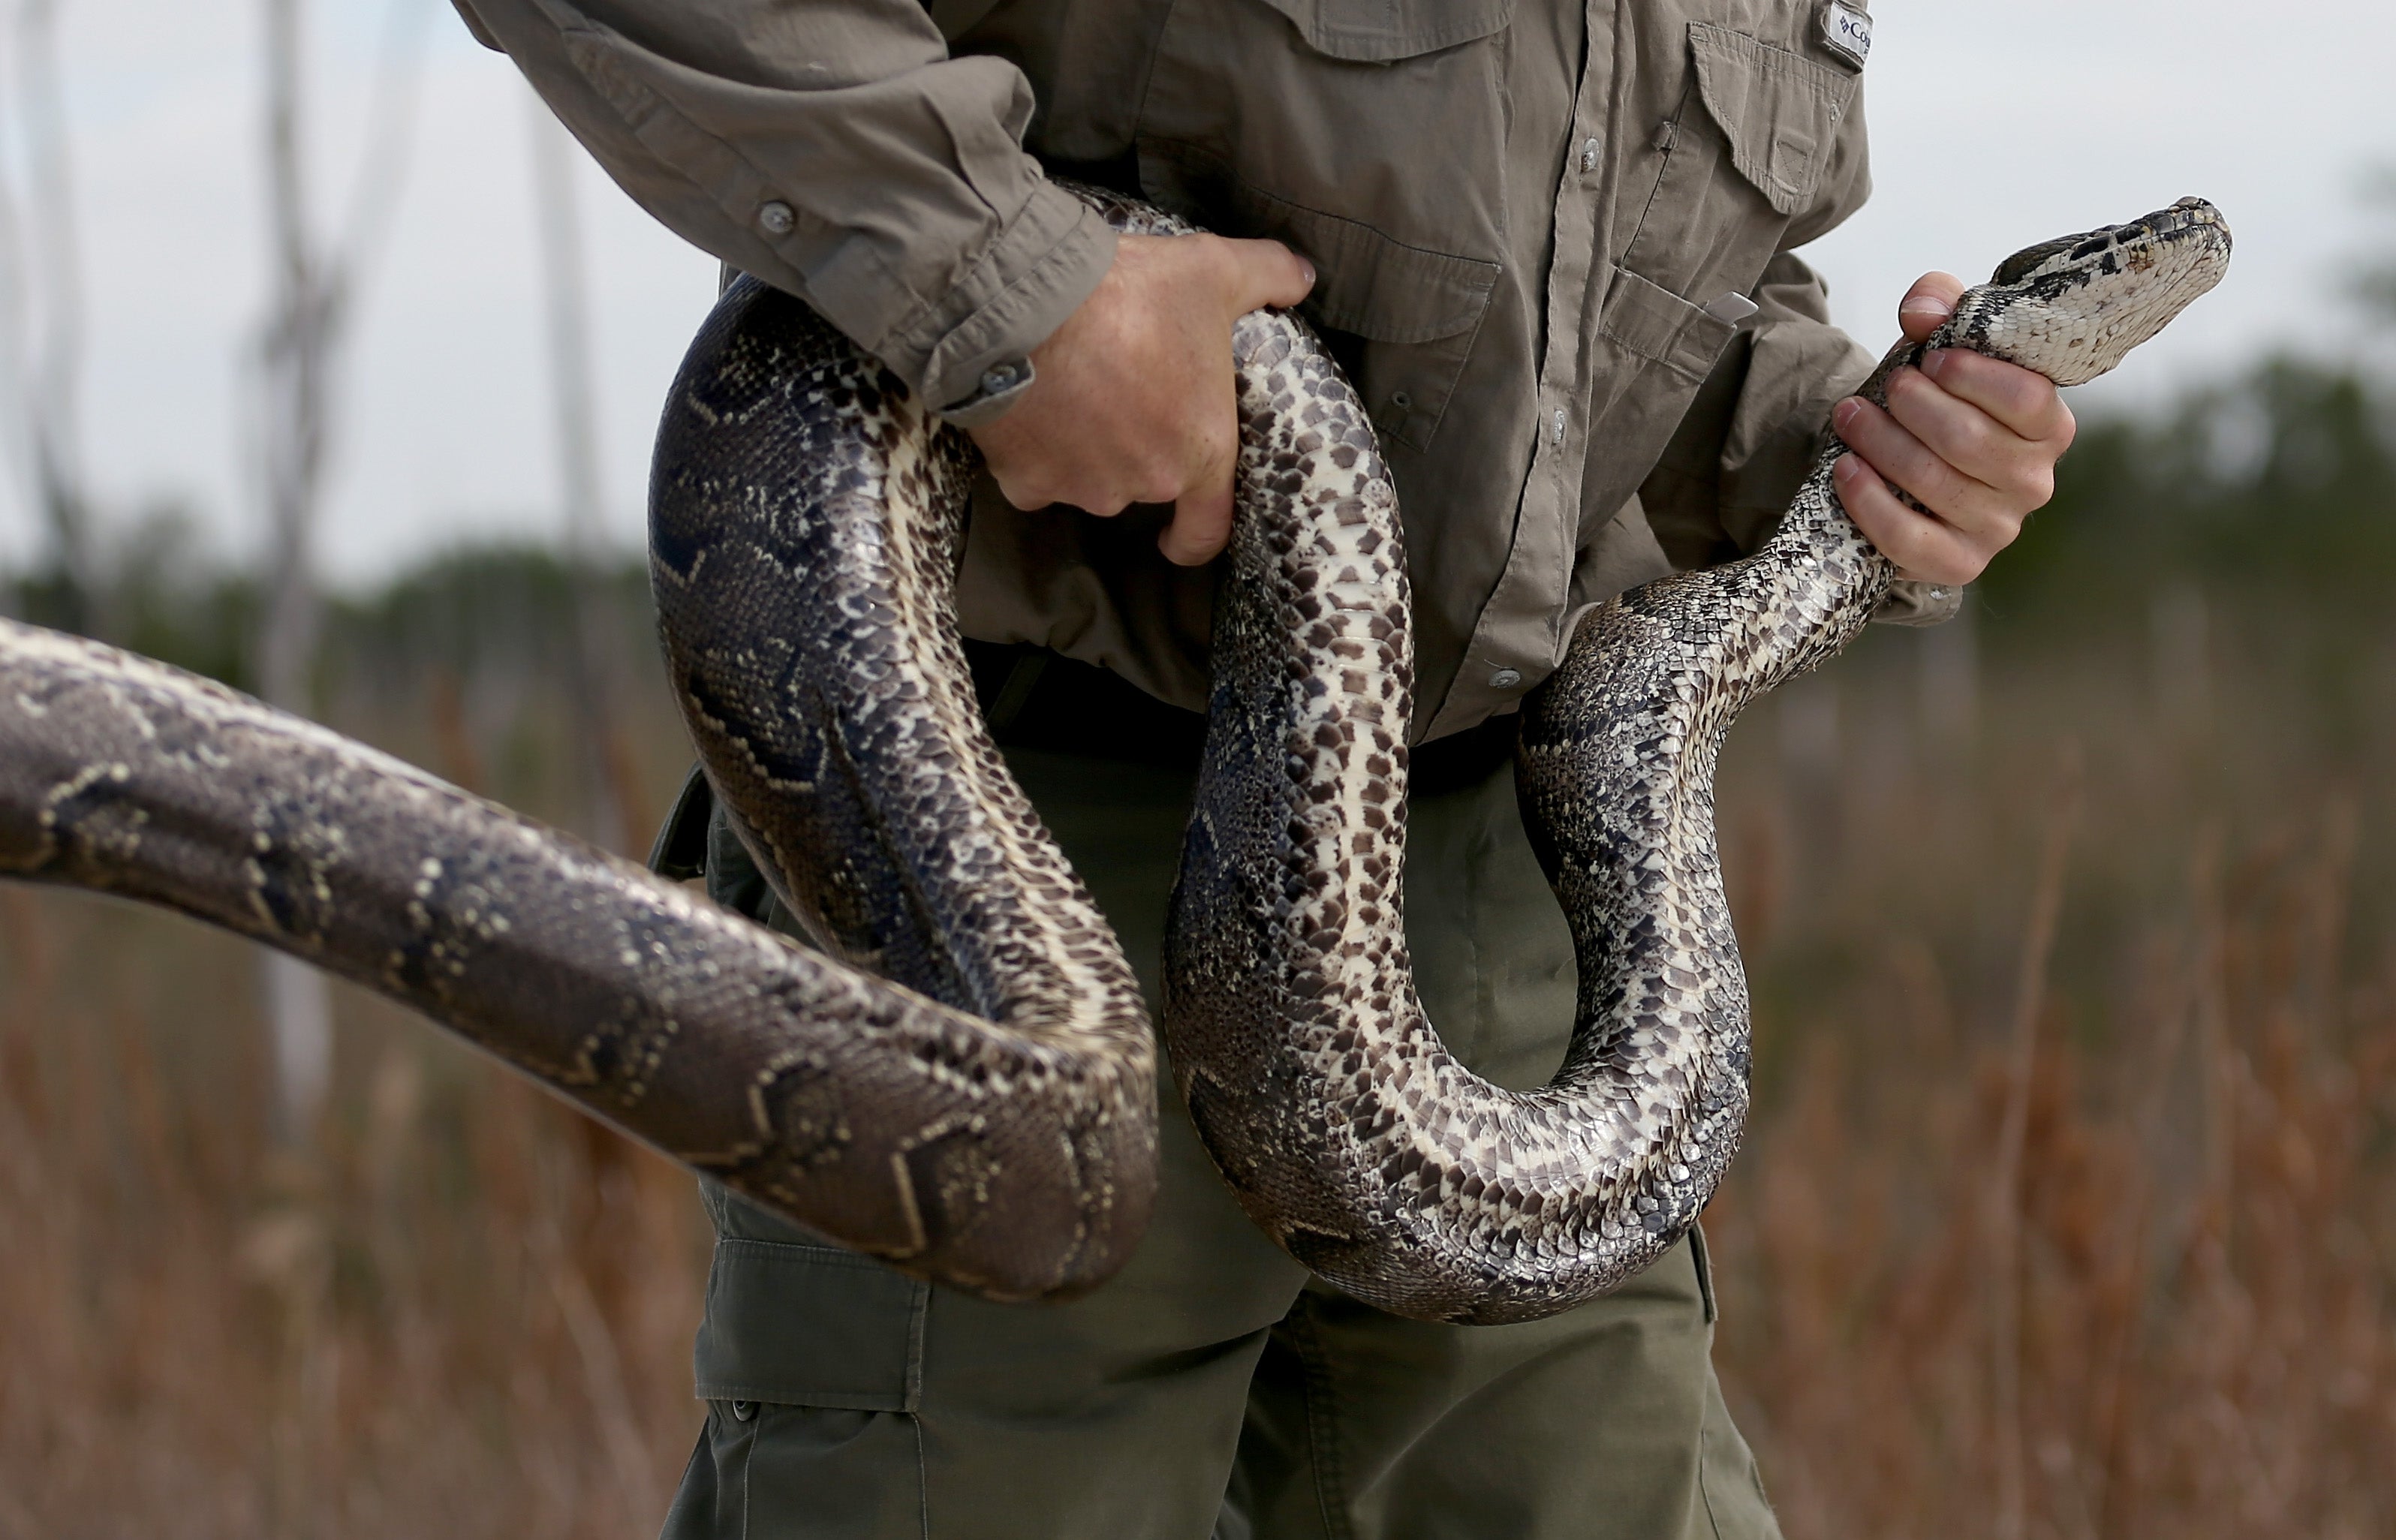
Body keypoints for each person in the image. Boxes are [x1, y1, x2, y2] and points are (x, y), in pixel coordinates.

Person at [450, 2, 2076, 1535]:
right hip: (1015, 826)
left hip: (1490, 887)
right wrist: (1021, 292)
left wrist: (1854, 447)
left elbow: (1631, 289)